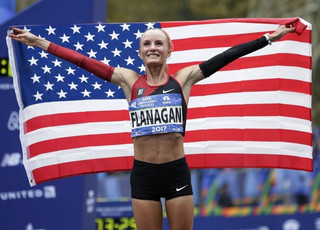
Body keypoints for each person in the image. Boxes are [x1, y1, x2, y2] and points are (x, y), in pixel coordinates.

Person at [9, 23, 295, 230]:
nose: (152, 47)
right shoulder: (129, 80)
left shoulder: (183, 79)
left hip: (176, 173)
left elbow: (226, 57)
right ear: (140, 52)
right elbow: (84, 61)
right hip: (143, 175)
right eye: (147, 44)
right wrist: (39, 43)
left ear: (170, 50)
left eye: (159, 43)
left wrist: (268, 38)